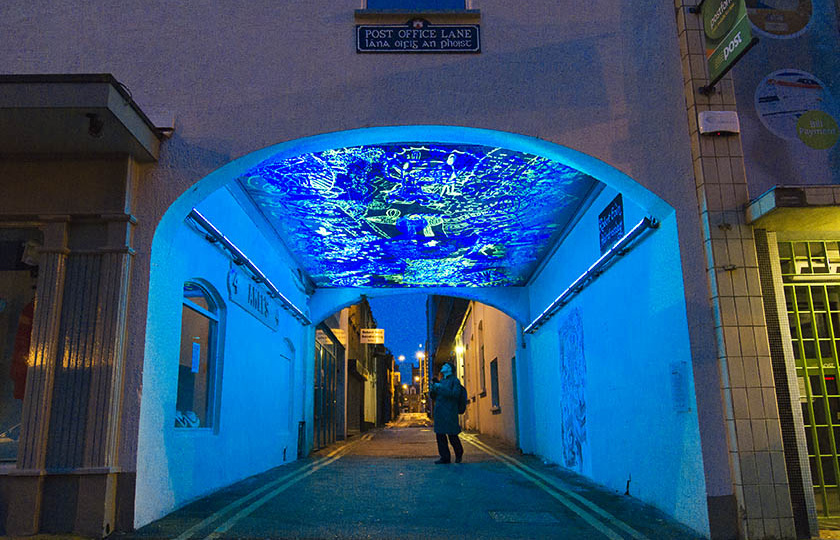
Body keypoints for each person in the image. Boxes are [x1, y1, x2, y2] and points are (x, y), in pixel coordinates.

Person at [429, 362, 464, 464]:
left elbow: (455, 394)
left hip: (449, 411)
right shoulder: (442, 381)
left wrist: (440, 387)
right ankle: (445, 457)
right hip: (439, 412)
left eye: (444, 366)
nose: (442, 366)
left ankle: (459, 453)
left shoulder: (455, 381)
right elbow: (434, 396)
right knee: (440, 436)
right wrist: (433, 389)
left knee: (452, 435)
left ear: (449, 369)